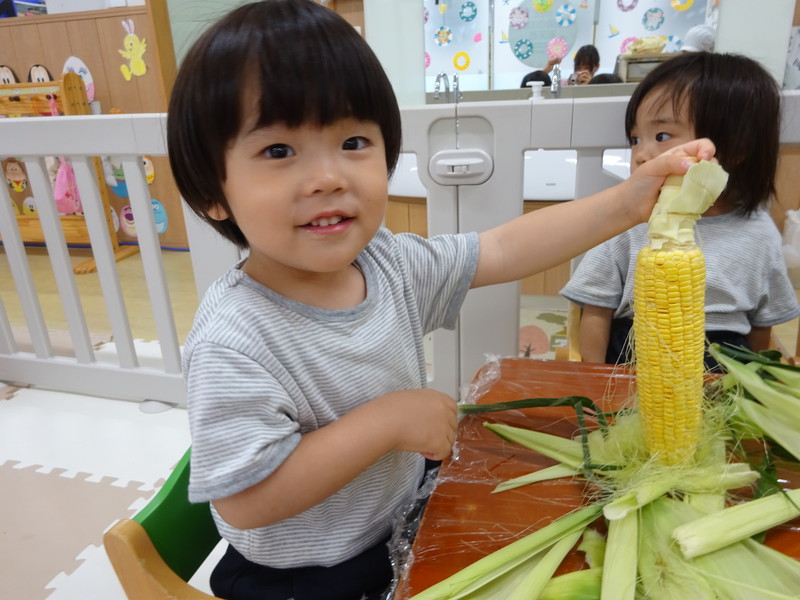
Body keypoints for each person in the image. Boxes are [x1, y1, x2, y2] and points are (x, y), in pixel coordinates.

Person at [166, 2, 716, 598]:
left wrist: (628, 203)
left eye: (353, 141)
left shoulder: (388, 263)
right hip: (307, 573)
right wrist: (387, 423)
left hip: (398, 512)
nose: (329, 177)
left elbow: (502, 249)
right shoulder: (234, 338)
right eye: (278, 151)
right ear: (211, 192)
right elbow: (246, 502)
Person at [561, 51, 799, 367]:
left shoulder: (758, 231)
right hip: (634, 354)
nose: (641, 155)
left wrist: (753, 384)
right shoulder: (626, 223)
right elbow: (595, 309)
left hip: (726, 361)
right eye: (635, 138)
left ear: (735, 148)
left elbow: (762, 323)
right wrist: (595, 380)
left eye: (661, 136)